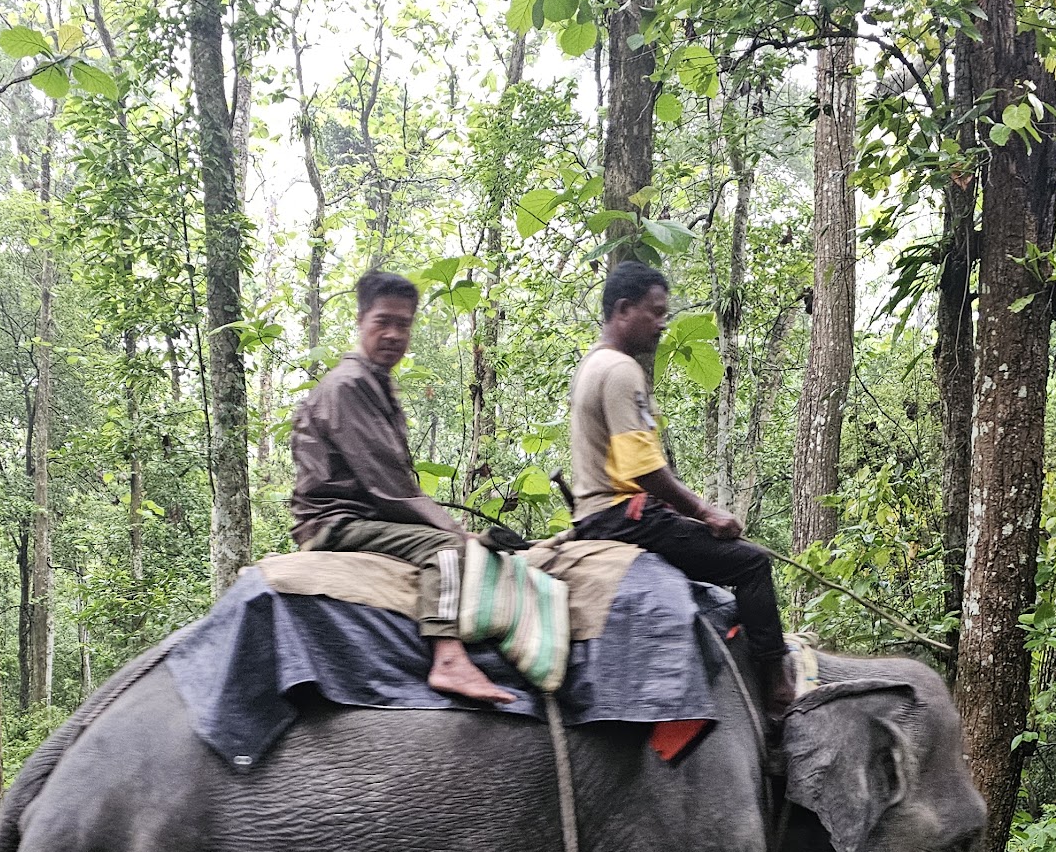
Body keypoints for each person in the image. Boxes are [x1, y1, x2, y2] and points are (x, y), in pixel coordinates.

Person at [568, 260, 794, 729]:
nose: (663, 323)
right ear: (623, 309)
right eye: (655, 312)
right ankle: (777, 688)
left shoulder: (591, 364)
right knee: (751, 564)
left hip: (596, 515)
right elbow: (643, 469)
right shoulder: (621, 371)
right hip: (623, 517)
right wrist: (705, 512)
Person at [291, 269, 514, 705]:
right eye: (382, 321)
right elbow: (389, 487)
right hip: (336, 521)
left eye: (404, 324)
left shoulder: (376, 383)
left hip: (362, 514)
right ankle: (448, 656)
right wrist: (458, 534)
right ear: (360, 322)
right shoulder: (349, 385)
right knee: (446, 551)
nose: (394, 334)